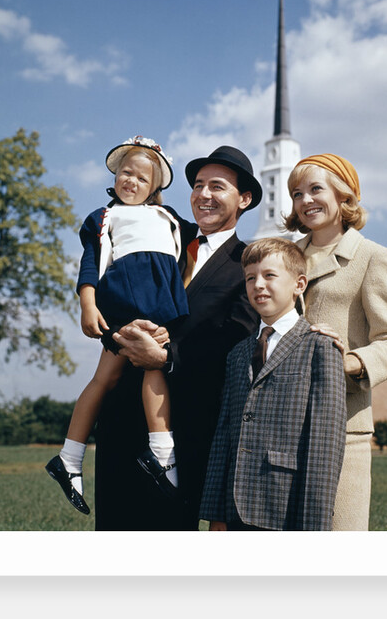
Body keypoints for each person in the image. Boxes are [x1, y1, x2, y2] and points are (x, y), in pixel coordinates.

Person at [94, 146, 262, 530]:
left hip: (183, 428)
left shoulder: (249, 264)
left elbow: (235, 341)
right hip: (120, 415)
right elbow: (112, 271)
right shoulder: (161, 233)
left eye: (217, 187)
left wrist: (167, 359)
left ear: (244, 198)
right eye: (198, 185)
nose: (203, 195)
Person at [45, 136, 189, 515]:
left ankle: (69, 457)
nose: (132, 181)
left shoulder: (169, 218)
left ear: (155, 187)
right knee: (142, 370)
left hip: (162, 309)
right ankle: (161, 454)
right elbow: (90, 264)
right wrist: (87, 304)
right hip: (126, 303)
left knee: (109, 376)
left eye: (143, 178)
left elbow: (197, 246)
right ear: (115, 174)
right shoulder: (103, 217)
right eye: (127, 172)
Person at [284, 153, 387, 531]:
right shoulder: (283, 257)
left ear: (344, 195)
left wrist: (346, 362)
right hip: (282, 422)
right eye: (296, 193)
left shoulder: (372, 257)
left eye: (315, 189)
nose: (305, 200)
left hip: (342, 424)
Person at [199, 237, 347, 530]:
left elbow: (324, 446)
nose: (258, 285)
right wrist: (216, 515)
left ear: (299, 284)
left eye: (270, 275)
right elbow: (224, 437)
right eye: (250, 278)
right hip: (234, 509)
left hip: (285, 505)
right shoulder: (238, 353)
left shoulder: (319, 347)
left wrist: (313, 526)